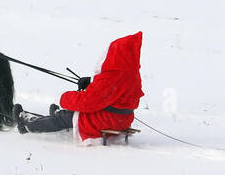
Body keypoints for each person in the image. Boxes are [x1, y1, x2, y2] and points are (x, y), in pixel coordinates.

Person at [15, 31, 143, 138]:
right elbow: (112, 92)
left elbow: (88, 102)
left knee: (63, 118)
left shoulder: (111, 76)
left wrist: (63, 97)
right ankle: (60, 113)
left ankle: (27, 124)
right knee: (74, 109)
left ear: (116, 56)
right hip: (122, 119)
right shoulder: (131, 74)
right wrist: (92, 82)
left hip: (106, 120)